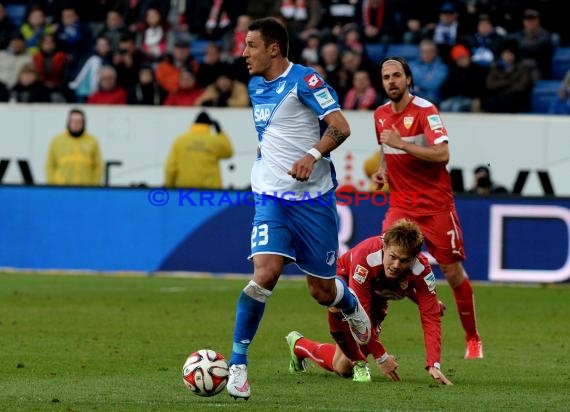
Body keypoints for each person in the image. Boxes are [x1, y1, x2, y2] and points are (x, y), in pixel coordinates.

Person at [226, 17, 371, 400]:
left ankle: (349, 300)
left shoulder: (306, 81)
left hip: (314, 200)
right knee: (266, 273)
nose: (244, 54)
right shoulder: (256, 85)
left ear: (274, 48)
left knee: (322, 291)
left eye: (251, 45)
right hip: (271, 198)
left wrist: (311, 153)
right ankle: (238, 365)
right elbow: (272, 133)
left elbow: (340, 126)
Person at [370, 56, 484, 360]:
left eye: (396, 76)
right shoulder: (380, 114)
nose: (391, 81)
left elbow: (442, 154)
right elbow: (386, 148)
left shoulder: (425, 111)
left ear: (408, 79)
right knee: (386, 264)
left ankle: (472, 338)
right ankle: (424, 302)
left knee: (452, 271)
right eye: (385, 77)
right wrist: (382, 171)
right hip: (401, 205)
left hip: (436, 205)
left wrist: (403, 143)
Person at [287, 219, 452, 385]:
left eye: (404, 261)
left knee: (343, 367)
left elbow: (430, 316)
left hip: (377, 298)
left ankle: (298, 345)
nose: (396, 265)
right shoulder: (366, 256)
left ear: (415, 258)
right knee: (339, 309)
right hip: (347, 286)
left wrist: (434, 364)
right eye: (393, 257)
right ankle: (350, 357)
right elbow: (359, 312)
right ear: (384, 247)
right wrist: (382, 357)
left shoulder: (422, 270)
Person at [164, 111, 233, 189]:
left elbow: (170, 167)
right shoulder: (214, 141)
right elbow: (229, 152)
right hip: (211, 192)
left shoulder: (181, 140)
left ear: (194, 123)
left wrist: (169, 186)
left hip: (185, 191)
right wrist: (220, 132)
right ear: (209, 125)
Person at [46, 108, 103, 185]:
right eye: (73, 121)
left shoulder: (92, 141)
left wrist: (94, 186)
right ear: (68, 122)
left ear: (83, 123)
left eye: (79, 121)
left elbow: (98, 166)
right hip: (62, 188)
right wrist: (53, 185)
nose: (75, 124)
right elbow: (50, 165)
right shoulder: (57, 141)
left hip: (86, 189)